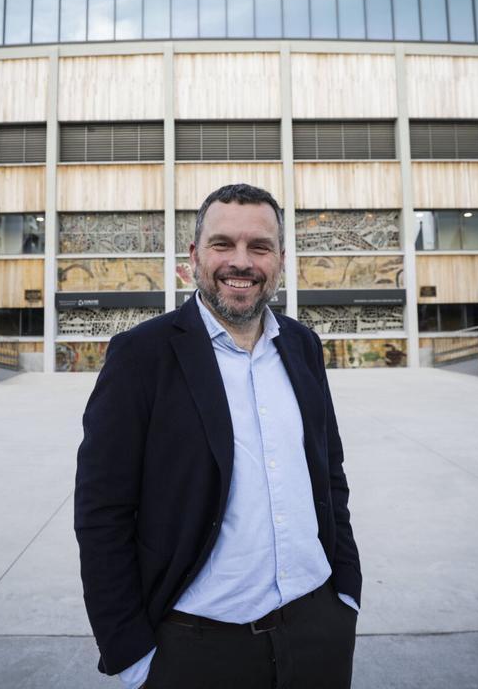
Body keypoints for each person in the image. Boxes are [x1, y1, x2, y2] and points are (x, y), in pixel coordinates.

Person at [74, 183, 362, 689]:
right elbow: (102, 512)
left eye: (260, 246)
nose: (241, 262)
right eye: (223, 244)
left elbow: (328, 472)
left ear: (281, 259)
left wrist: (346, 591)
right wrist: (131, 654)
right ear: (194, 256)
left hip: (319, 630)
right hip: (195, 646)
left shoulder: (303, 346)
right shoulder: (141, 356)